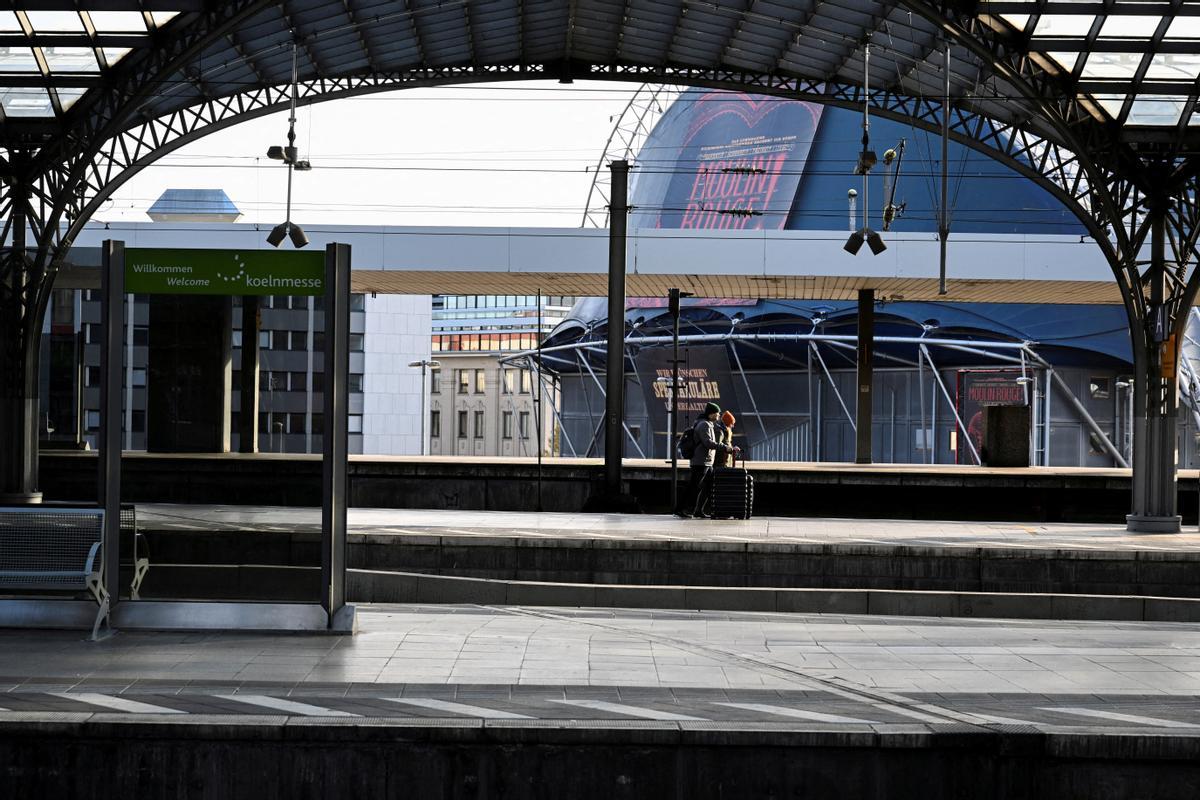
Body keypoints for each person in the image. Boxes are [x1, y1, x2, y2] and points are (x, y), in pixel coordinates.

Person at [676, 402, 736, 519]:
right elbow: (708, 443)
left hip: (707, 462)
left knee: (708, 485)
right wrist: (725, 447)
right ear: (711, 414)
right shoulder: (704, 425)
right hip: (701, 462)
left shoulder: (708, 423)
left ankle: (698, 510)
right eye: (717, 413)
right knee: (694, 486)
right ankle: (681, 509)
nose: (719, 415)